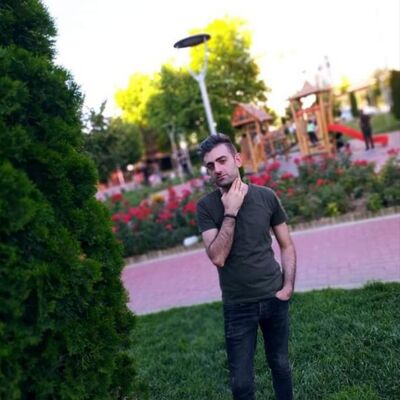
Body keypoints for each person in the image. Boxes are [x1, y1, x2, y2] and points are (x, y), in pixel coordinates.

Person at [196, 133, 296, 400]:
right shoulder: (206, 207)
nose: (217, 169)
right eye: (210, 166)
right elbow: (217, 257)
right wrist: (231, 211)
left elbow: (286, 244)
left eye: (222, 161)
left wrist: (287, 287)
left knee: (280, 365)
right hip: (237, 305)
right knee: (241, 383)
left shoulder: (266, 196)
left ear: (237, 160)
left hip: (274, 297)